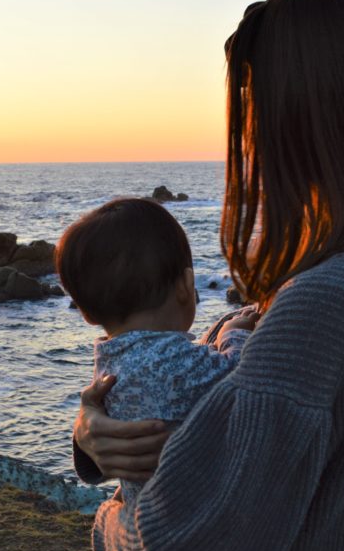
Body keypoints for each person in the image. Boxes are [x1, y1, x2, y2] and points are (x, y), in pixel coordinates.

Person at [72, 0, 344, 551]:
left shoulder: (329, 301)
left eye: (254, 104)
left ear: (298, 113)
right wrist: (93, 443)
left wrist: (108, 526)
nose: (247, 134)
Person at [55, 197, 258, 503]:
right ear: (185, 284)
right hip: (192, 519)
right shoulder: (175, 360)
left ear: (88, 314)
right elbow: (241, 375)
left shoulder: (110, 362)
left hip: (146, 514)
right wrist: (235, 334)